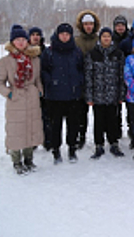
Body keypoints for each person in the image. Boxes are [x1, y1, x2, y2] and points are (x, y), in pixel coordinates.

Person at [0, 25, 44, 175]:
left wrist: (40, 91)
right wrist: (9, 94)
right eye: (18, 40)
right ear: (12, 42)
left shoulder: (34, 59)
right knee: (16, 130)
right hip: (16, 99)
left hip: (32, 98)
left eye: (23, 39)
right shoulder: (5, 61)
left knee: (30, 129)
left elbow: (37, 79)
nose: (21, 42)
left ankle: (29, 159)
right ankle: (17, 161)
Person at [41, 23, 84, 164]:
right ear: (57, 35)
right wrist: (50, 81)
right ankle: (56, 151)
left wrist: (79, 82)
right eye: (62, 34)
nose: (64, 37)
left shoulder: (76, 51)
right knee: (55, 126)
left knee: (73, 125)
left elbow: (82, 69)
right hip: (54, 96)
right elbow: (44, 70)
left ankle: (72, 149)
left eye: (67, 34)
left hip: (73, 95)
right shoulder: (49, 52)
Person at [85, 27, 126, 159]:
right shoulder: (93, 54)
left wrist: (121, 94)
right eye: (104, 36)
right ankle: (99, 145)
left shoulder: (118, 54)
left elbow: (121, 75)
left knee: (113, 120)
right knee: (98, 120)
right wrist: (89, 96)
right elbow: (88, 75)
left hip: (113, 95)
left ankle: (114, 143)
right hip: (98, 95)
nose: (106, 39)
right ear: (100, 38)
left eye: (108, 36)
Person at [75, 10, 101, 149]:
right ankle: (81, 136)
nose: (88, 26)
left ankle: (100, 138)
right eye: (86, 24)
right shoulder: (76, 41)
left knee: (99, 112)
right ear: (82, 25)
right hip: (81, 81)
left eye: (91, 24)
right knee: (81, 112)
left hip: (98, 81)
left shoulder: (99, 40)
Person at [29, 27, 51, 150]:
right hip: (29, 89)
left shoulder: (46, 52)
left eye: (38, 34)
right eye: (33, 35)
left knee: (46, 116)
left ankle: (47, 141)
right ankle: (33, 142)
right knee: (32, 117)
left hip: (45, 89)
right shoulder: (24, 52)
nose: (35, 37)